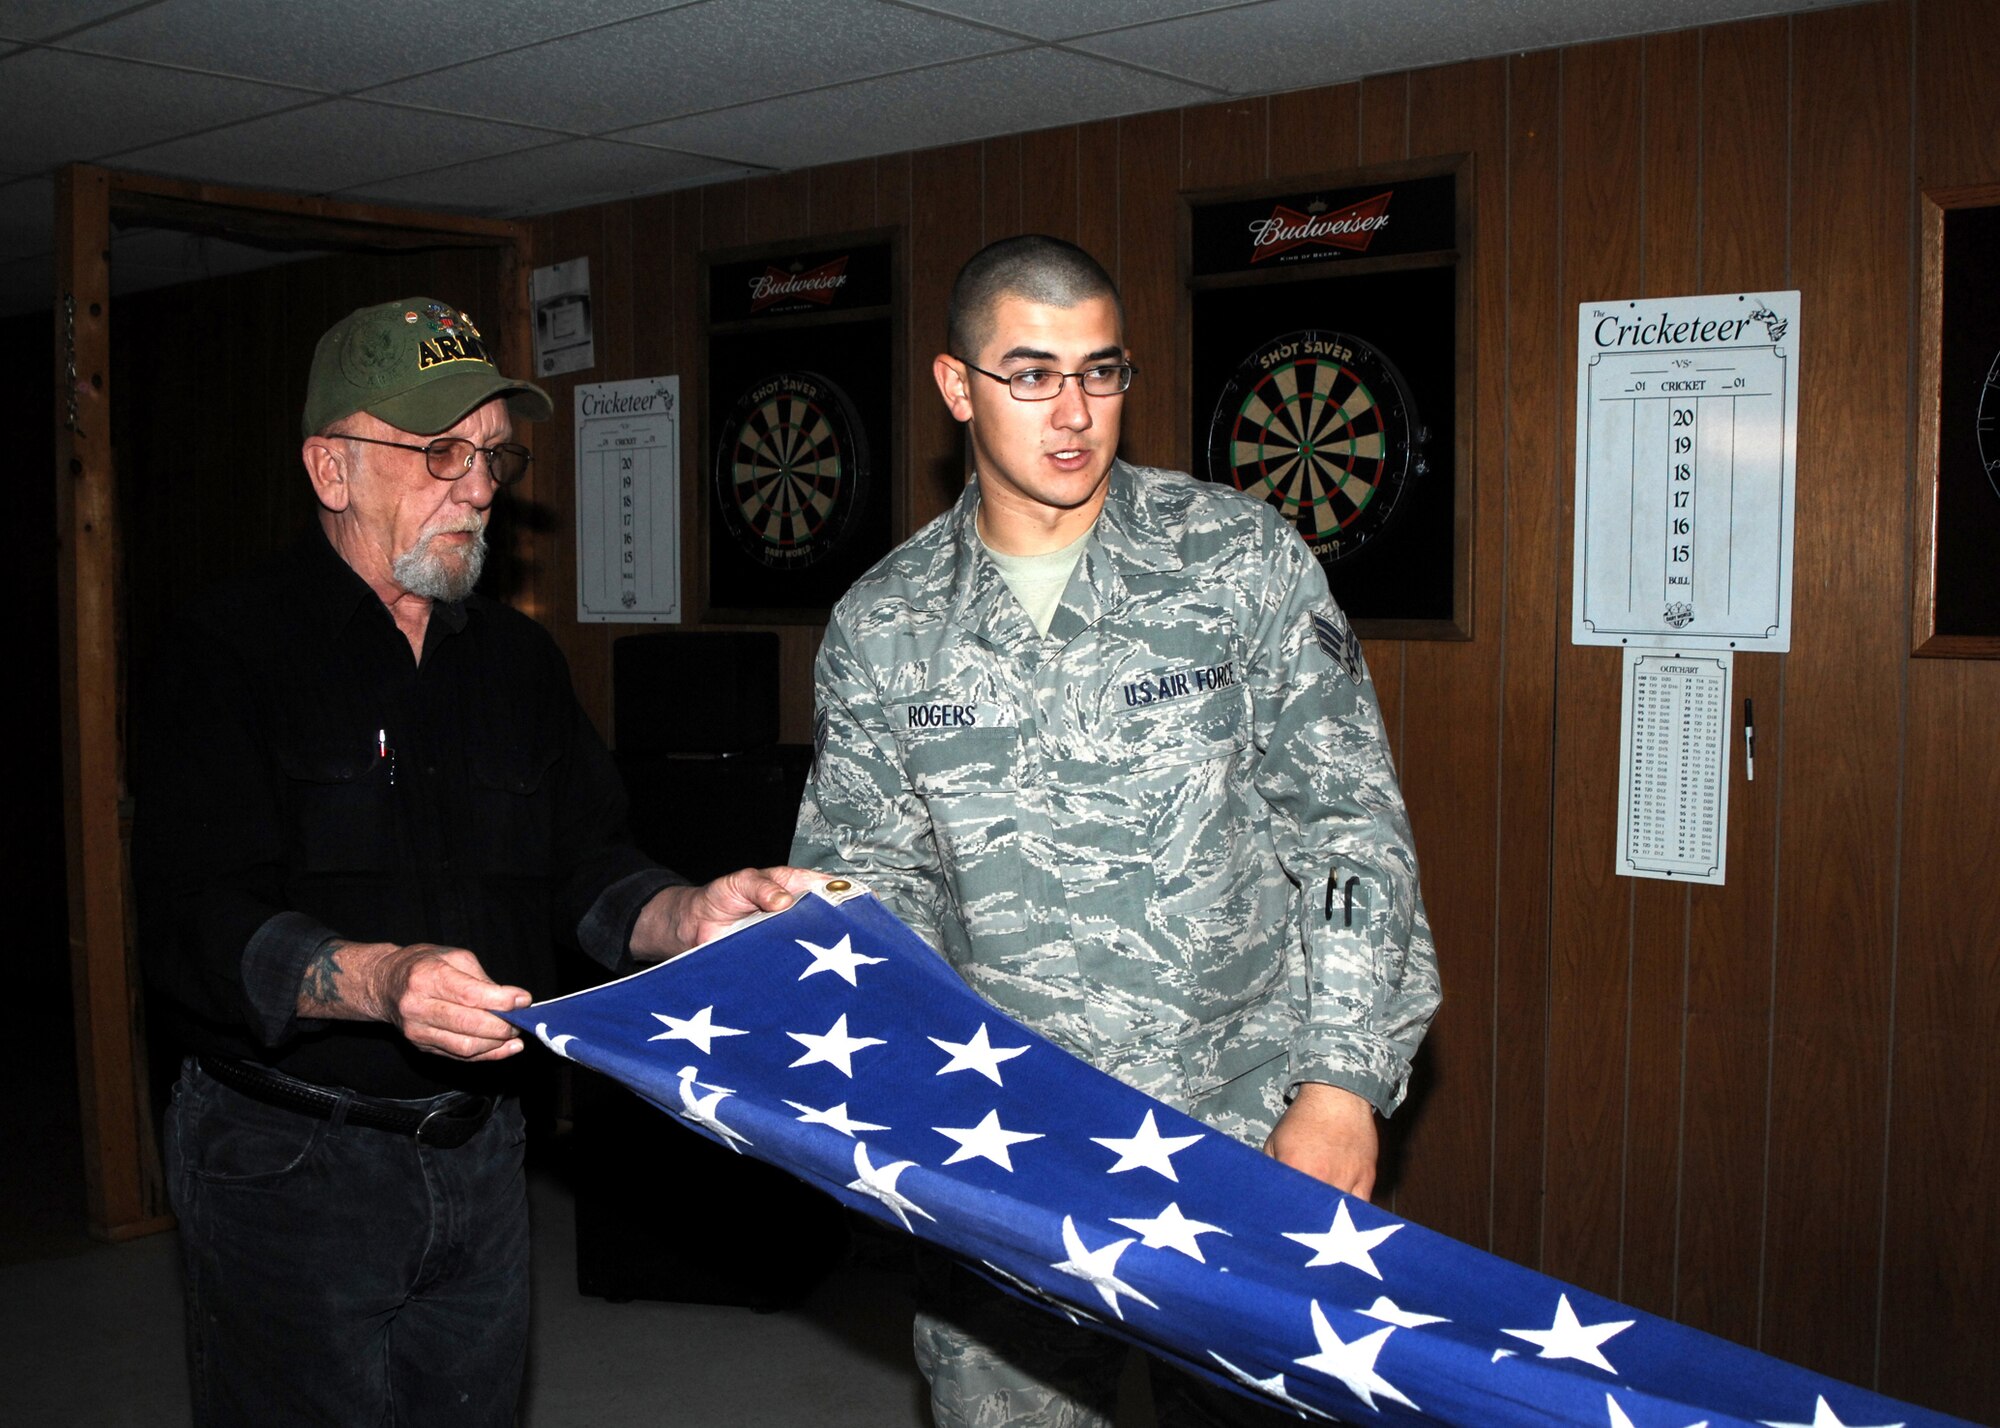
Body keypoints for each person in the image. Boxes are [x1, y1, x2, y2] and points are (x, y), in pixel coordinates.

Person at [790, 236, 1441, 1426]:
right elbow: (873, 893)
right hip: (1008, 1143)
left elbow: (1349, 830)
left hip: (1242, 1133)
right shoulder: (884, 625)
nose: (1074, 413)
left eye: (1101, 372)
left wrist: (1341, 1080)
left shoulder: (1236, 562)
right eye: (1031, 375)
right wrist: (889, 1098)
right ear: (955, 388)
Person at [135, 295, 811, 1427]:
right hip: (286, 1157)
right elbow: (197, 919)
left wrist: (684, 915)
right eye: (439, 450)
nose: (483, 486)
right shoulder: (224, 650)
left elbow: (583, 869)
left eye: (493, 453)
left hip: (481, 1150)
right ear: (330, 468)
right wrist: (382, 980)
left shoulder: (516, 663)